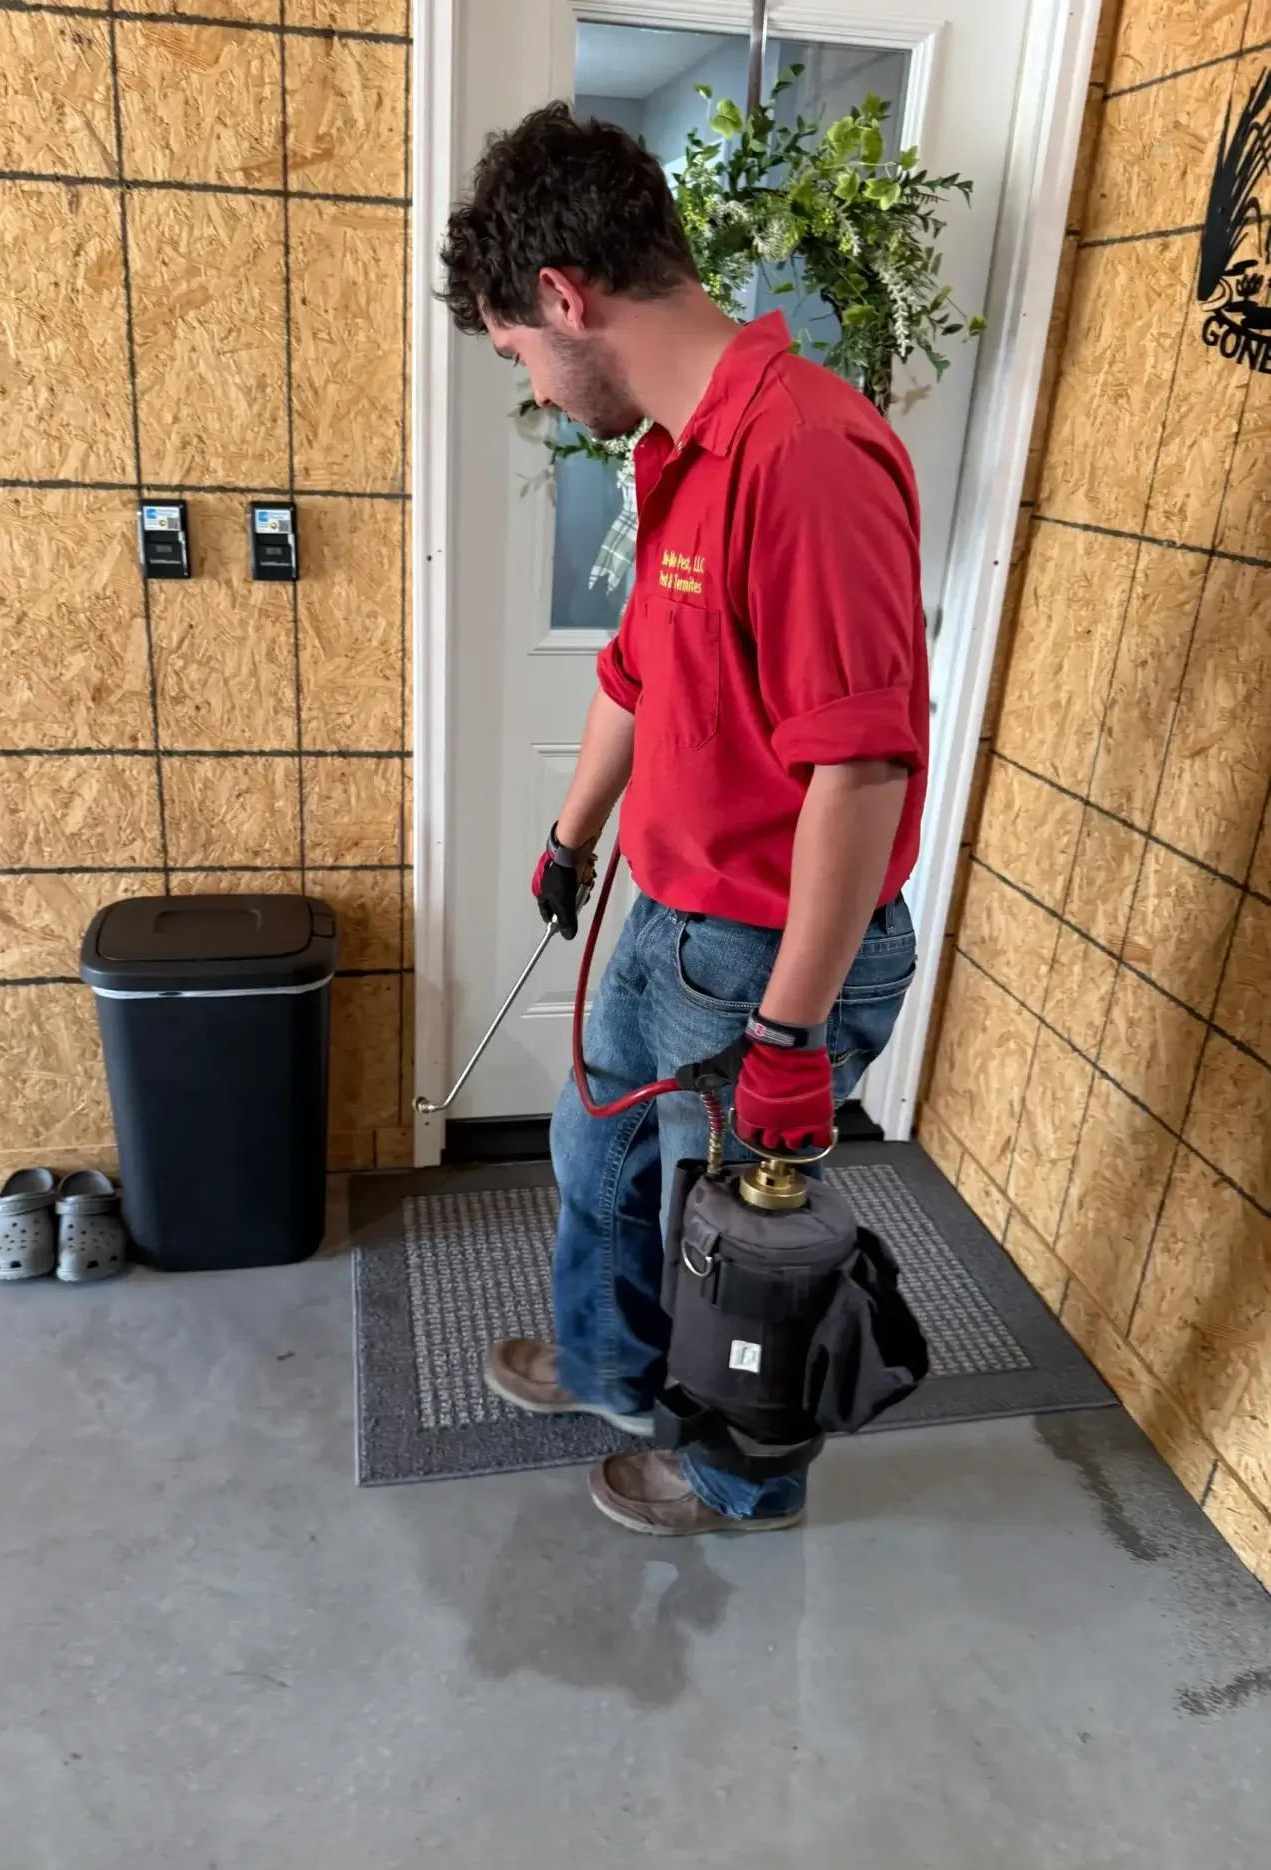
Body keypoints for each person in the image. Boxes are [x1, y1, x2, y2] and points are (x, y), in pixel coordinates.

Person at [439, 103, 927, 1536]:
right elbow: (639, 676)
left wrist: (790, 1035)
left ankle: (734, 1478)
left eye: (519, 357)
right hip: (665, 910)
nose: (537, 394)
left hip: (769, 950)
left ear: (563, 296)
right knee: (599, 1160)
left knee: (725, 1239)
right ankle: (607, 1368)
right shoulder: (682, 451)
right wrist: (571, 835)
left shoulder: (806, 456)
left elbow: (862, 769)